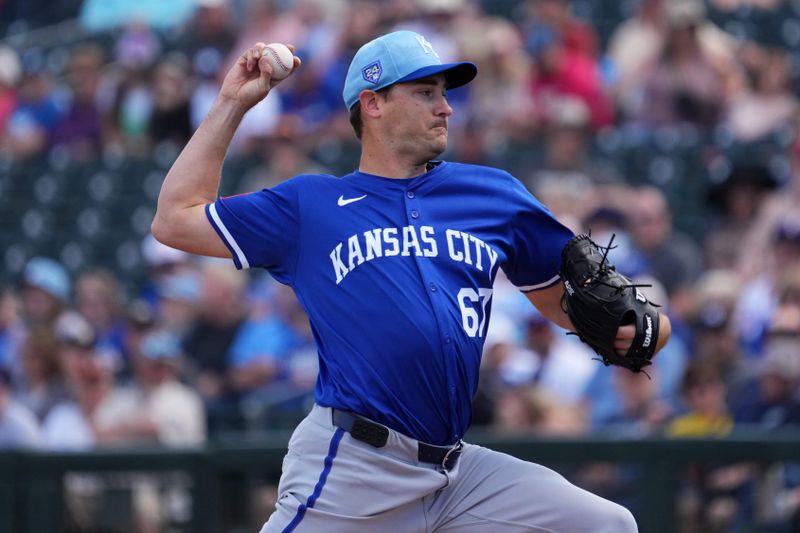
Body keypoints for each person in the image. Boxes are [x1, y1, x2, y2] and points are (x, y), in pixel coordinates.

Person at [152, 30, 672, 533]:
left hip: (456, 474)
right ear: (373, 104)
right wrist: (232, 103)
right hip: (355, 469)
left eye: (444, 93)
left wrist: (632, 329)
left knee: (605, 524)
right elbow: (174, 219)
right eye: (425, 92)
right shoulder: (310, 206)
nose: (444, 107)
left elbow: (567, 301)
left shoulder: (492, 195)